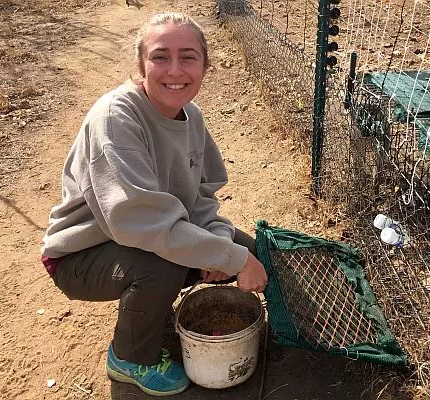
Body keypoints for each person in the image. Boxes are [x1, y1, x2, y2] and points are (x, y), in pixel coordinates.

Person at [40, 12, 268, 397]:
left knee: (243, 247)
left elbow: (200, 197)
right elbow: (138, 222)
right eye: (160, 56)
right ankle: (129, 357)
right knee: (165, 264)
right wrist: (225, 259)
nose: (174, 70)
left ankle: (152, 310)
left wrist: (220, 246)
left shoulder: (191, 116)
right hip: (81, 254)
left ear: (205, 67)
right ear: (140, 66)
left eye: (188, 57)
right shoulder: (116, 117)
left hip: (139, 236)